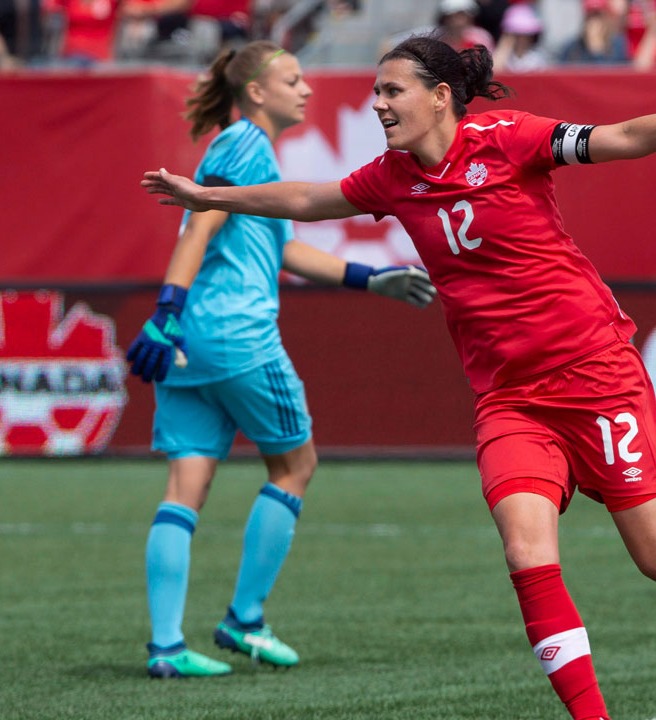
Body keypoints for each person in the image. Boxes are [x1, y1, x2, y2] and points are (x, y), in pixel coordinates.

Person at [143, 36, 656, 719]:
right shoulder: (391, 176)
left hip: (596, 374)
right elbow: (308, 198)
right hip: (510, 399)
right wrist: (209, 195)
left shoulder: (507, 139)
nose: (379, 104)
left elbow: (623, 136)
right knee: (525, 550)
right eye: (376, 93)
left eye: (393, 91)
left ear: (441, 96)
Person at [133, 40, 438, 679]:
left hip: (188, 345)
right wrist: (163, 306)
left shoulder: (245, 150)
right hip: (237, 335)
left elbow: (284, 252)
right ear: (256, 92)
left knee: (186, 484)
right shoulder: (246, 145)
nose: (305, 90)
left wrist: (369, 278)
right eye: (292, 80)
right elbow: (202, 226)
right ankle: (244, 620)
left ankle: (166, 646)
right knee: (296, 465)